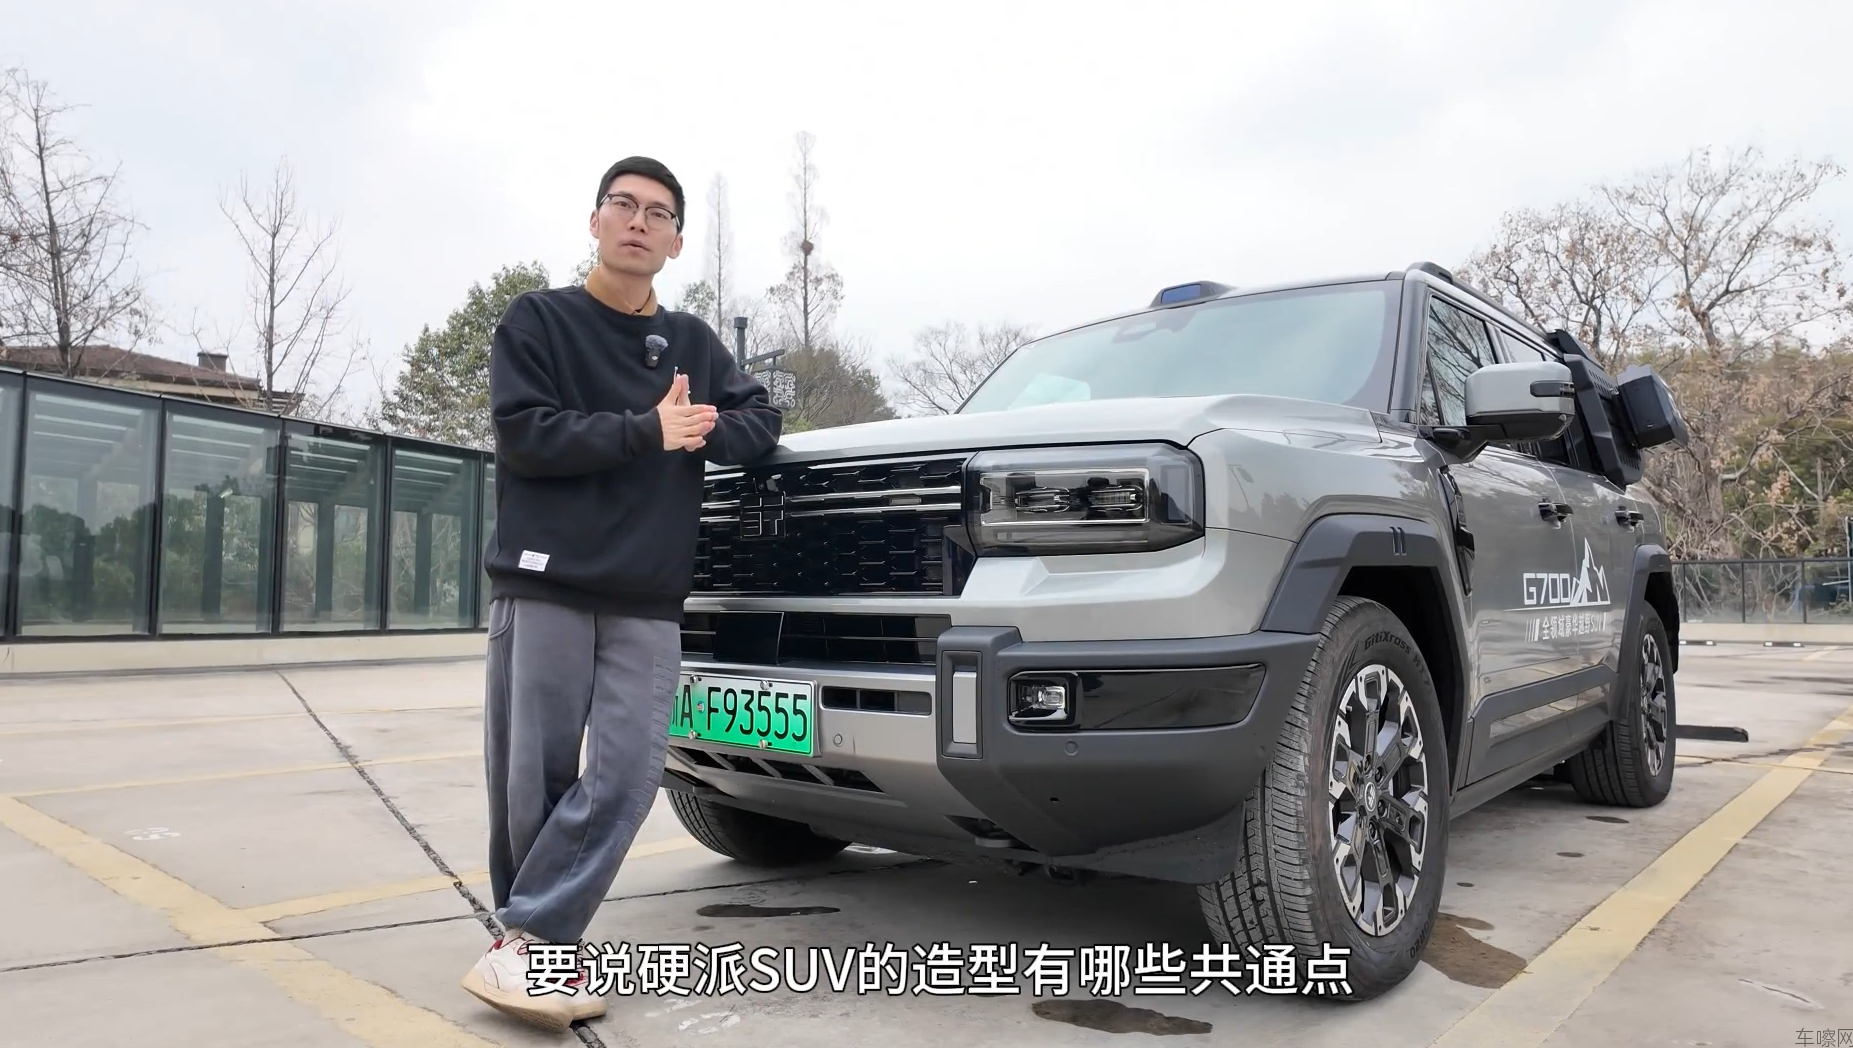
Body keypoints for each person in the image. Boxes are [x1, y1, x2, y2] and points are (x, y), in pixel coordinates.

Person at [460, 156, 782, 1031]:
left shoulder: (693, 344)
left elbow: (760, 422)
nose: (638, 221)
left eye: (658, 213)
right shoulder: (538, 319)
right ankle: (537, 949)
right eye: (623, 205)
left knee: (628, 774)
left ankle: (524, 939)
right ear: (595, 222)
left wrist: (700, 425)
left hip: (646, 593)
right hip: (546, 582)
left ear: (675, 242)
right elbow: (526, 435)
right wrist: (648, 430)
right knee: (532, 778)